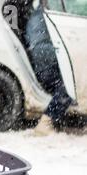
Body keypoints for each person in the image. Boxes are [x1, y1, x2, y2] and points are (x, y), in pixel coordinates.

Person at [25, 1, 73, 135]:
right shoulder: (41, 19)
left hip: (47, 66)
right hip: (46, 69)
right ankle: (45, 123)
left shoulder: (41, 15)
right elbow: (42, 51)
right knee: (68, 89)